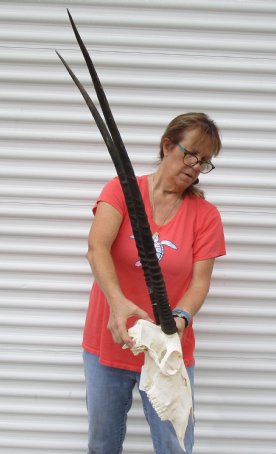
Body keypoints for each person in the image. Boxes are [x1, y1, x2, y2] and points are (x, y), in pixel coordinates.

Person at [83, 112, 226, 454]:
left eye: (205, 161)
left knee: (174, 446)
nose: (195, 165)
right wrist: (117, 303)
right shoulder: (121, 189)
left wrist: (181, 318)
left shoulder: (206, 215)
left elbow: (199, 283)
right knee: (102, 444)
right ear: (167, 145)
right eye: (191, 154)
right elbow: (96, 248)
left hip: (168, 351)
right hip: (110, 341)